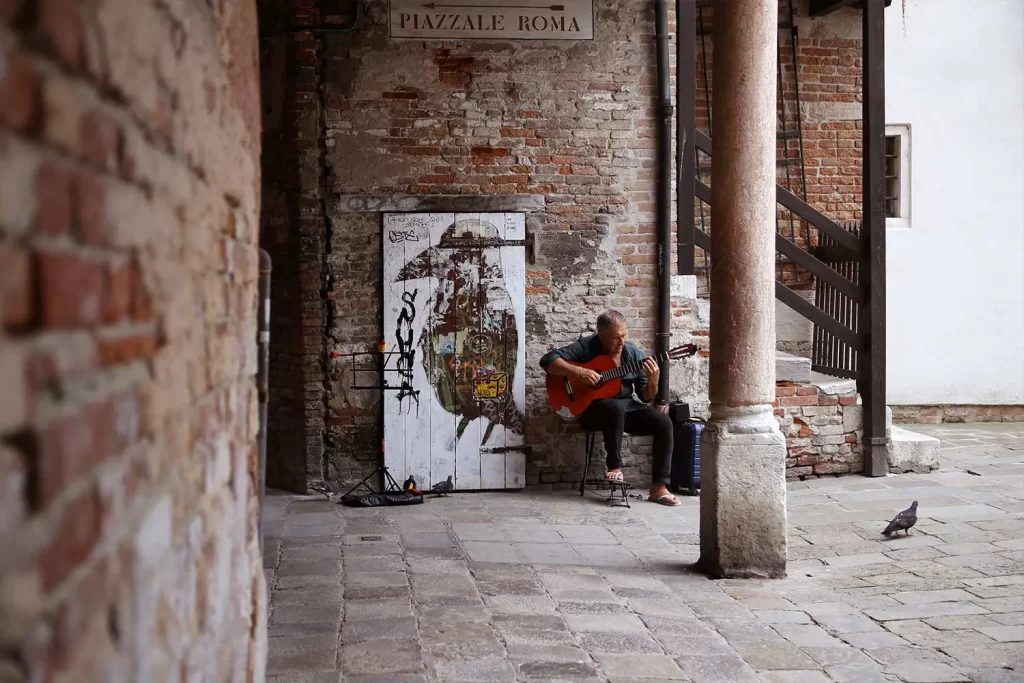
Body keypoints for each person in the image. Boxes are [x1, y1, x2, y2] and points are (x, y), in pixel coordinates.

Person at [539, 310, 680, 506]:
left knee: (663, 421)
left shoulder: (633, 354)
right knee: (613, 408)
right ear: (601, 335)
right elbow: (547, 360)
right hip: (592, 412)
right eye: (615, 338)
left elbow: (645, 396)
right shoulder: (586, 346)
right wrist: (579, 372)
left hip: (626, 410)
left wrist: (653, 382)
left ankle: (659, 487)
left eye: (624, 336)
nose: (621, 342)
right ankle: (615, 467)